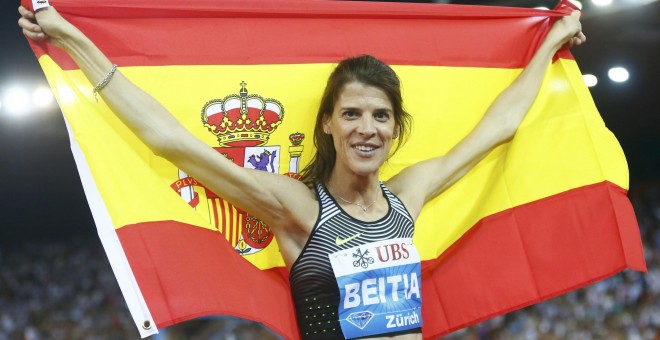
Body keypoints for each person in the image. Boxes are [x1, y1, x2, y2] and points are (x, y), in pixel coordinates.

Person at [19, 4, 585, 340]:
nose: (368, 128)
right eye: (353, 114)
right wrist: (72, 40)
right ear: (329, 127)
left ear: (395, 128)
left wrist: (553, 40)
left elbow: (499, 126)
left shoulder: (407, 196)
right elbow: (173, 142)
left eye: (381, 116)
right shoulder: (299, 209)